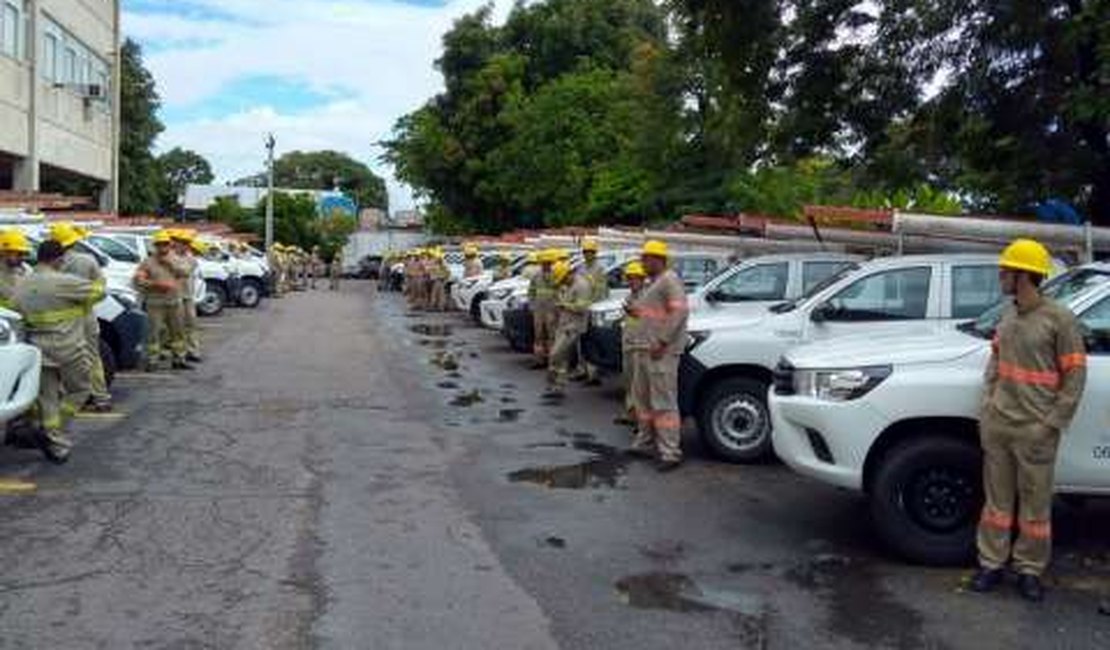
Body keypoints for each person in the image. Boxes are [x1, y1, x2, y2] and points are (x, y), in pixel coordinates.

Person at [970, 238, 1087, 602]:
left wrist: (1051, 424)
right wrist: (988, 405)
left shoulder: (1060, 319)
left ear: (1023, 275)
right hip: (1000, 424)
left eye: (1005, 270)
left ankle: (1029, 570)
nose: (1000, 275)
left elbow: (1075, 377)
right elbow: (994, 362)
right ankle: (991, 564)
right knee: (996, 504)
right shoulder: (1007, 315)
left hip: (1036, 429)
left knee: (1035, 508)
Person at [12, 240, 105, 463]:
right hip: (68, 347)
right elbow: (98, 293)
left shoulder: (22, 284)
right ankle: (53, 431)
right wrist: (98, 280)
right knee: (80, 391)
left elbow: (15, 310)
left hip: (38, 348)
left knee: (48, 397)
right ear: (58, 259)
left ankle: (53, 438)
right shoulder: (64, 281)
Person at [626, 240, 688, 472]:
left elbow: (679, 311)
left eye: (646, 258)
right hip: (645, 349)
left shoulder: (669, 280)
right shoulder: (655, 283)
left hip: (661, 352)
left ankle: (670, 452)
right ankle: (644, 441)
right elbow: (656, 312)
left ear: (657, 260)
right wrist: (636, 311)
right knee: (642, 400)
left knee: (663, 403)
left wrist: (662, 340)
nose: (642, 262)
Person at [50, 223, 112, 412]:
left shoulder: (51, 264)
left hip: (61, 319)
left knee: (64, 359)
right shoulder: (88, 260)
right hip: (85, 316)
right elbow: (101, 288)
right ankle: (100, 398)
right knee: (92, 358)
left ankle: (72, 397)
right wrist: (86, 301)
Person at [135, 231, 191, 371]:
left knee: (178, 332)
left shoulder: (176, 259)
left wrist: (170, 264)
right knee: (154, 333)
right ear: (155, 246)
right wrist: (155, 285)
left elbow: (186, 272)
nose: (162, 247)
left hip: (174, 301)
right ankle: (152, 361)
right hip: (154, 302)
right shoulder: (148, 261)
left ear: (170, 245)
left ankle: (179, 358)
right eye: (159, 245)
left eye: (165, 244)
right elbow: (138, 280)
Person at [544, 261, 593, 399]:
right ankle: (557, 387)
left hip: (574, 326)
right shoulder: (568, 285)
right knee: (561, 357)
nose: (563, 283)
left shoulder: (582, 286)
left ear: (568, 274)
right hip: (564, 324)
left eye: (563, 279)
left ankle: (554, 382)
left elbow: (582, 308)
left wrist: (564, 305)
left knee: (556, 354)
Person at [617, 261, 648, 429]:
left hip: (640, 346)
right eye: (629, 278)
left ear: (642, 279)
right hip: (628, 343)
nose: (631, 282)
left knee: (640, 385)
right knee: (628, 380)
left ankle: (641, 421)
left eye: (634, 278)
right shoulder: (629, 297)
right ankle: (630, 413)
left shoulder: (648, 297)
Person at [575, 238, 609, 386]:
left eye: (590, 252)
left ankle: (593, 374)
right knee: (581, 340)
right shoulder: (581, 268)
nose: (588, 254)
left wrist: (594, 306)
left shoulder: (600, 269)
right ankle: (582, 370)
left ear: (595, 253)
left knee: (592, 341)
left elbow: (602, 292)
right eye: (586, 252)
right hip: (581, 309)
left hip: (593, 309)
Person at [170, 230, 204, 363]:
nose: (185, 245)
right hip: (174, 296)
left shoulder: (191, 259)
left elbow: (184, 271)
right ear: (177, 243)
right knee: (177, 327)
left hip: (188, 296)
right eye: (183, 242)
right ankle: (179, 353)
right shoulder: (170, 256)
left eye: (187, 243)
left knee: (191, 324)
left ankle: (193, 351)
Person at [528, 250, 558, 369]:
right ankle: (539, 360)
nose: (546, 265)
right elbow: (531, 291)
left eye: (548, 263)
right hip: (539, 310)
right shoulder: (536, 276)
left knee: (552, 336)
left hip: (552, 310)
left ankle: (552, 361)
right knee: (538, 336)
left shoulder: (556, 275)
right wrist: (532, 305)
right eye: (544, 263)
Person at [0, 229, 30, 310]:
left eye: (24, 254)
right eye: (19, 253)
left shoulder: (26, 269)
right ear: (4, 252)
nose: (23, 257)